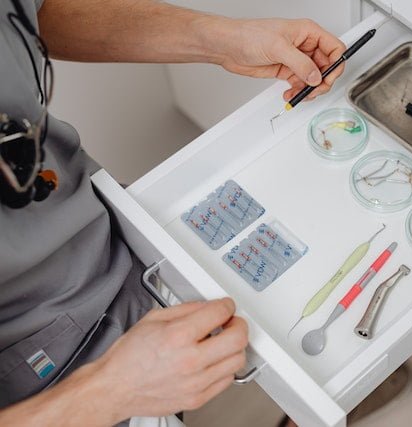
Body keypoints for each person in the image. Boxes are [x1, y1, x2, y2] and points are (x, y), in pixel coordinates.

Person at [0, 0, 346, 425]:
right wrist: (109, 391)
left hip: (108, 233)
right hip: (49, 374)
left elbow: (41, 11)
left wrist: (224, 40)